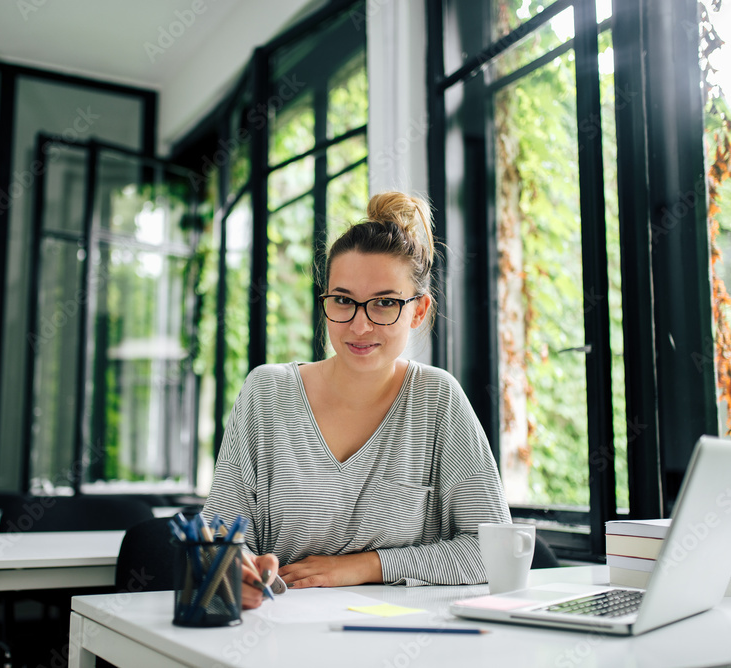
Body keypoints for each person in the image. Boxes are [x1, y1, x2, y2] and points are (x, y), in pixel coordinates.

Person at [202, 191, 512, 609]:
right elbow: (219, 534)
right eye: (343, 300)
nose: (360, 325)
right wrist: (229, 566)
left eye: (385, 303)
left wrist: (363, 566)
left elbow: (492, 552)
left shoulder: (438, 399)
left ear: (418, 311)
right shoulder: (267, 393)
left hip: (400, 643)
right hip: (279, 636)